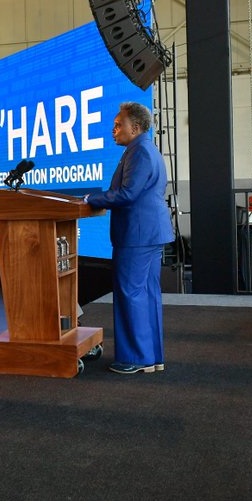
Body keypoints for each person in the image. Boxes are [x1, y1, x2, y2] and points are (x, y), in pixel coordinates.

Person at [83, 101, 174, 374]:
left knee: (131, 294)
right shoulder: (144, 149)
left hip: (137, 235)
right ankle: (150, 357)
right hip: (147, 232)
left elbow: (127, 194)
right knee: (146, 294)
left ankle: (135, 358)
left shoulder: (140, 152)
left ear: (135, 127)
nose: (113, 130)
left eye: (118, 125)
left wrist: (90, 199)